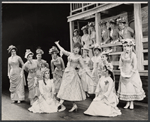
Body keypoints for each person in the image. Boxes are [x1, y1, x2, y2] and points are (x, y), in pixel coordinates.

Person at [55, 41, 86, 112]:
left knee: (69, 88)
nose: (76, 49)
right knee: (66, 88)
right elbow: (63, 50)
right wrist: (57, 44)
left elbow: (84, 66)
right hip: (67, 73)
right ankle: (74, 105)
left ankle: (60, 103)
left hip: (72, 74)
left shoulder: (79, 57)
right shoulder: (70, 54)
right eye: (75, 47)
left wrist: (88, 74)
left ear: (79, 49)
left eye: (78, 48)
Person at [117, 39, 145, 109]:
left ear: (131, 47)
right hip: (124, 72)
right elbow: (120, 64)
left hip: (131, 73)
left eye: (128, 46)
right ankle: (127, 102)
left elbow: (135, 66)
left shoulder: (133, 55)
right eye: (125, 46)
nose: (126, 48)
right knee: (125, 88)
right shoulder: (122, 54)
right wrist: (121, 72)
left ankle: (131, 102)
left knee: (130, 87)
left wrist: (131, 74)